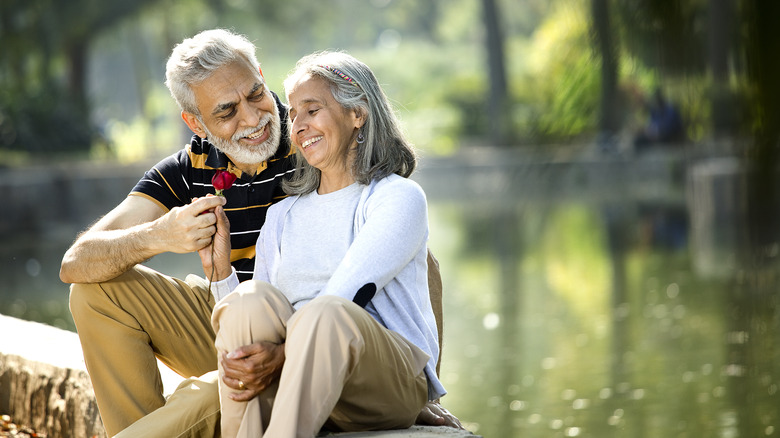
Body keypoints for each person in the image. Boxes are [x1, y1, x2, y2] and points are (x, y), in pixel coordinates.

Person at [59, 29, 455, 437]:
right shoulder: (192, 172)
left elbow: (419, 266)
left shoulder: (316, 145)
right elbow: (75, 262)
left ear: (263, 77)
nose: (253, 119)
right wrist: (159, 237)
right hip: (241, 324)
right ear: (196, 121)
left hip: (334, 342)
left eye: (256, 94)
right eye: (227, 111)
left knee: (205, 395)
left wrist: (426, 388)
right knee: (93, 291)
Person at [199, 50, 456, 437]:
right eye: (293, 114)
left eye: (312, 109)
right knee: (249, 301)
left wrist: (284, 354)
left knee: (327, 313)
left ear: (357, 114)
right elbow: (253, 327)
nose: (298, 125)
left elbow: (347, 294)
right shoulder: (282, 216)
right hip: (307, 384)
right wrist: (220, 274)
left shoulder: (396, 197)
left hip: (388, 384)